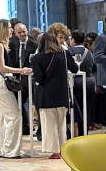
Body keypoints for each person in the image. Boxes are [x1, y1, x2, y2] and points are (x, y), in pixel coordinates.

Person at [31, 26, 78, 159]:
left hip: (46, 96)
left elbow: (39, 78)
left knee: (49, 124)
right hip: (62, 94)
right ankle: (63, 148)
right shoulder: (64, 53)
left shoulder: (37, 58)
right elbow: (74, 69)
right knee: (61, 123)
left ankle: (54, 150)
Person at [0, 19, 32, 159]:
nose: (11, 30)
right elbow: (1, 68)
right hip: (2, 82)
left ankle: (5, 148)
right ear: (2, 29)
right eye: (8, 28)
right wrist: (21, 70)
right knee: (14, 116)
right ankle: (11, 150)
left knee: (4, 117)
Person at [68, 29, 94, 138]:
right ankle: (85, 133)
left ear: (73, 40)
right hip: (88, 82)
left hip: (74, 82)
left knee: (75, 110)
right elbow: (93, 66)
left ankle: (75, 134)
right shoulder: (89, 52)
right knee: (86, 109)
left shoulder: (69, 51)